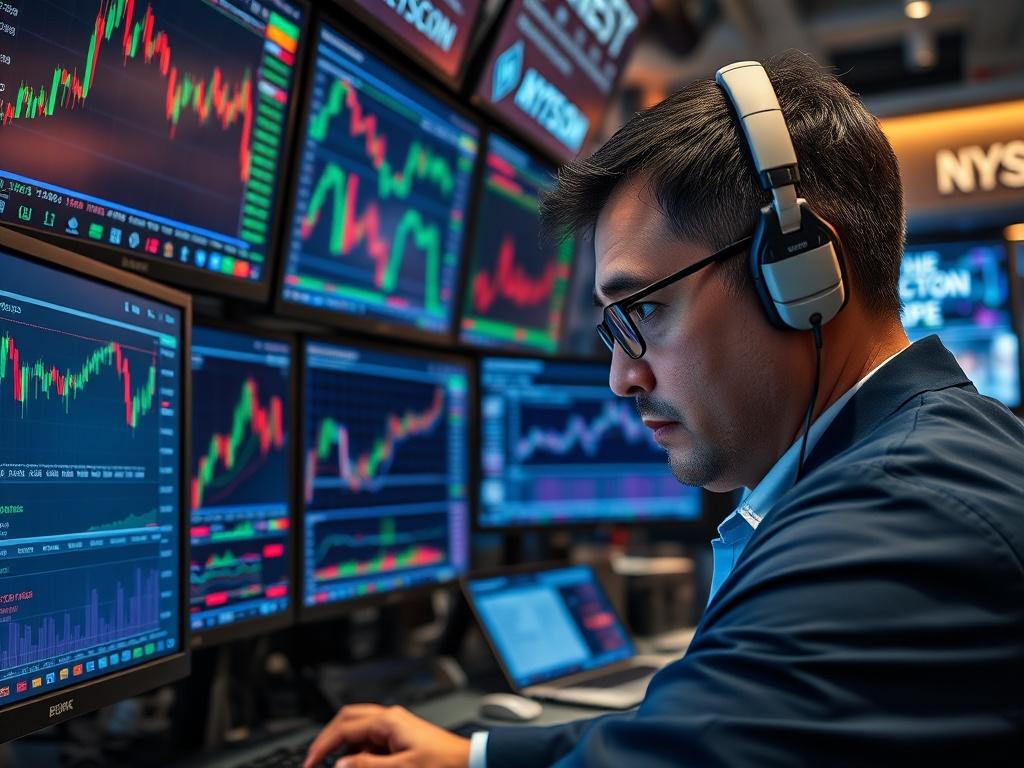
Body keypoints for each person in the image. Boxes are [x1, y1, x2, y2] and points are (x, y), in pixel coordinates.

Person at [304, 51, 1024, 768]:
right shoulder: (914, 460)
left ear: (801, 274)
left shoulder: (885, 523)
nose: (621, 377)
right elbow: (701, 724)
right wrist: (474, 757)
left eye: (643, 308)